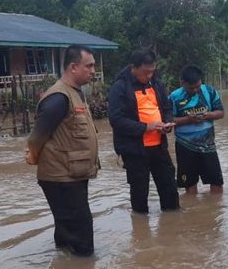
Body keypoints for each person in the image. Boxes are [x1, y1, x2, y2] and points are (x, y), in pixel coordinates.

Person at [25, 44, 100, 257]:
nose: (93, 71)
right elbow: (36, 138)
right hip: (61, 178)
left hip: (72, 175)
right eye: (89, 66)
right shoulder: (58, 98)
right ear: (73, 67)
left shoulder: (75, 93)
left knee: (69, 234)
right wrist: (34, 157)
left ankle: (64, 260)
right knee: (82, 240)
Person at [108, 49, 180, 214]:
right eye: (145, 72)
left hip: (159, 146)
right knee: (140, 192)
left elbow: (166, 108)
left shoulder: (156, 83)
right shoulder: (119, 87)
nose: (149, 76)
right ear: (133, 68)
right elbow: (116, 120)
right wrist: (145, 127)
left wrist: (167, 123)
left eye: (152, 72)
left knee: (169, 186)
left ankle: (173, 223)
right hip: (134, 150)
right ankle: (141, 229)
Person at [169, 64, 225, 194]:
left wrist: (208, 115)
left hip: (208, 146)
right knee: (189, 185)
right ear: (182, 82)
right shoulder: (173, 97)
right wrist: (188, 120)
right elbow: (168, 121)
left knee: (216, 183)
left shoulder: (210, 91)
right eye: (191, 87)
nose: (195, 90)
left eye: (198, 86)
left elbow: (221, 113)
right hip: (185, 146)